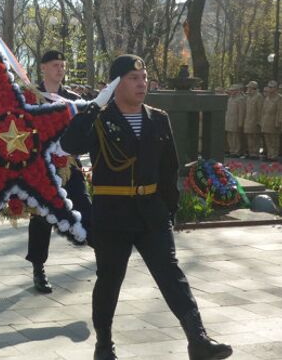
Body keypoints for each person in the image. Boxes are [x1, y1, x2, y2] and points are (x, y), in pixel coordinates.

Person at [61, 54, 233, 360]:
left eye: (144, 78)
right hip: (112, 213)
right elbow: (70, 144)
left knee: (171, 275)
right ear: (115, 84)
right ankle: (104, 346)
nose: (142, 84)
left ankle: (198, 339)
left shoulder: (158, 117)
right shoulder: (101, 118)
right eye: (133, 78)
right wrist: (93, 106)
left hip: (152, 211)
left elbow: (170, 167)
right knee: (109, 280)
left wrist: (169, 208)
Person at [27, 50, 90, 294]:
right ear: (43, 68)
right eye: (55, 65)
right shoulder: (32, 98)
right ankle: (38, 267)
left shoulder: (73, 99)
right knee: (42, 217)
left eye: (63, 65)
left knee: (84, 205)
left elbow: (84, 134)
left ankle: (102, 257)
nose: (60, 69)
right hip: (43, 167)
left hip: (70, 165)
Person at [260, 81, 281, 161]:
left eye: (271, 87)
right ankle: (269, 155)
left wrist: (278, 122)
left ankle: (274, 156)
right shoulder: (267, 98)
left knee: (274, 140)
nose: (270, 89)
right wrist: (262, 121)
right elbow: (263, 111)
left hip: (273, 122)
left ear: (276, 88)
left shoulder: (279, 98)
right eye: (269, 87)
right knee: (267, 140)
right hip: (266, 121)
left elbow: (280, 111)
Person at [224, 84, 246, 157]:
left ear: (237, 91)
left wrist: (240, 123)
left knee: (236, 137)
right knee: (230, 137)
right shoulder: (230, 98)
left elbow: (241, 112)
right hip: (229, 120)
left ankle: (237, 152)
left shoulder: (240, 99)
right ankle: (232, 151)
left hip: (235, 121)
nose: (231, 92)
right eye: (230, 90)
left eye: (232, 90)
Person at [244, 81, 263, 159]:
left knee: (255, 138)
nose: (248, 89)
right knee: (249, 137)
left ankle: (255, 153)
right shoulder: (248, 97)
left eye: (249, 87)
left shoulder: (258, 96)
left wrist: (259, 121)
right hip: (248, 120)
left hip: (255, 121)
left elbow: (260, 110)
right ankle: (251, 152)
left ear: (253, 88)